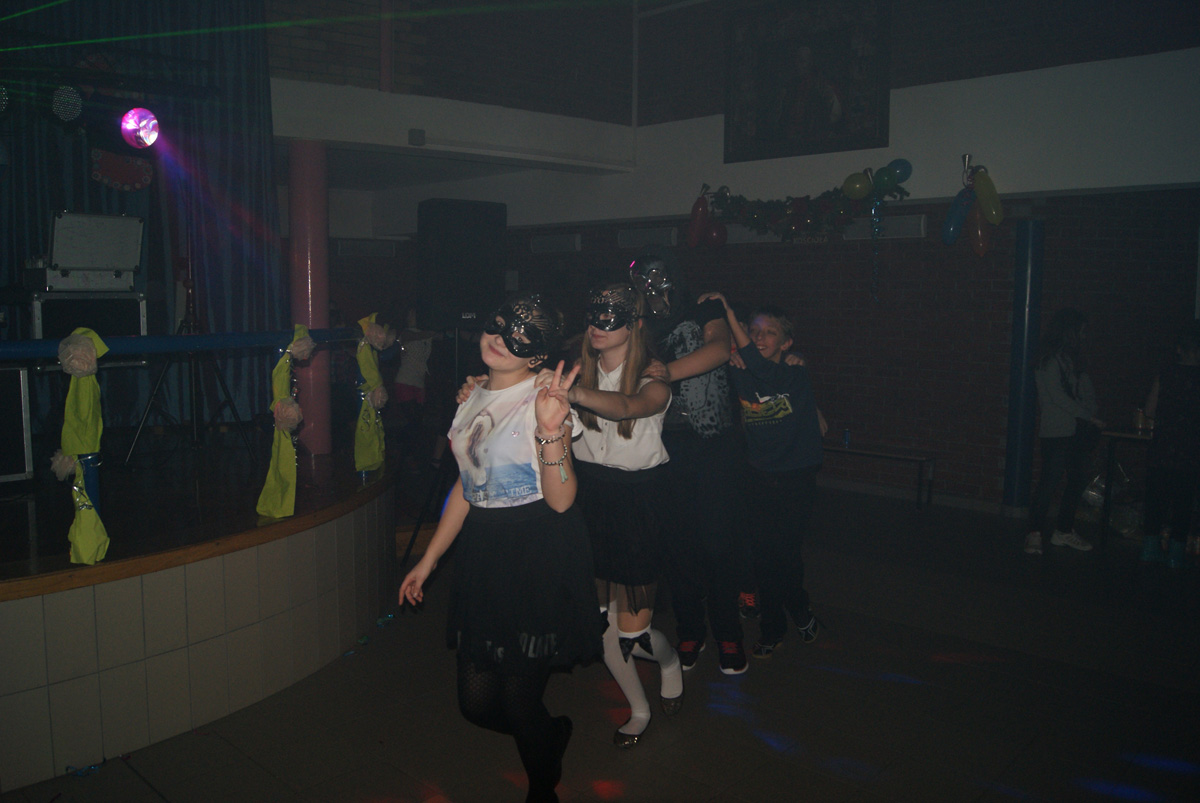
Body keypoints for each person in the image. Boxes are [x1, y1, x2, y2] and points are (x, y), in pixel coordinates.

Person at [399, 293, 599, 803]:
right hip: (485, 555)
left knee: (518, 699)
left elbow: (562, 500)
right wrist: (428, 560)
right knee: (476, 704)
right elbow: (468, 486)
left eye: (522, 337)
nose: (502, 339)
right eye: (499, 325)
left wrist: (551, 430)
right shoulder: (471, 394)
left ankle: (543, 786)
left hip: (538, 552)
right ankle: (549, 733)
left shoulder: (545, 397)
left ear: (539, 355)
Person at [566, 284, 682, 748]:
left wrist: (574, 393)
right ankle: (639, 709)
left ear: (634, 325)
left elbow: (630, 408)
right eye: (592, 315)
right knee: (601, 629)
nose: (597, 325)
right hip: (590, 501)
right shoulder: (576, 372)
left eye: (610, 316)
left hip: (637, 505)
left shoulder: (653, 379)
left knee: (635, 632)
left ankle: (670, 662)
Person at [629, 247, 748, 675]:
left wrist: (666, 373)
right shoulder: (639, 323)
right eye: (644, 280)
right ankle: (690, 631)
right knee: (678, 546)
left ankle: (729, 632)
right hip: (665, 446)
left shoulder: (704, 307)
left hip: (714, 444)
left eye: (658, 277)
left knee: (718, 543)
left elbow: (718, 348)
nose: (653, 286)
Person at [705, 294, 822, 657]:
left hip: (795, 479)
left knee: (785, 556)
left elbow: (766, 371)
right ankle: (776, 625)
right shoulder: (741, 369)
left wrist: (728, 312)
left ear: (787, 344)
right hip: (759, 478)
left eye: (769, 332)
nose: (758, 337)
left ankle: (795, 609)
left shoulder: (794, 372)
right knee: (764, 558)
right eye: (754, 330)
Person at [1025, 308, 1105, 555]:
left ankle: (1064, 529)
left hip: (1074, 431)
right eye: (1080, 331)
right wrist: (1088, 415)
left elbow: (1082, 389)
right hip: (1057, 432)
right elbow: (1058, 397)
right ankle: (1034, 533)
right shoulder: (1048, 361)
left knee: (1077, 480)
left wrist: (1089, 410)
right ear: (1069, 331)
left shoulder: (1068, 359)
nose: (1083, 336)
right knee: (1049, 484)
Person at [1140, 323, 1200, 568]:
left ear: (1179, 349)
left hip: (1163, 446)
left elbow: (1149, 410)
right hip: (1190, 449)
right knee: (1183, 503)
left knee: (1156, 500)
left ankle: (1149, 549)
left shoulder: (1166, 373)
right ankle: (1176, 554)